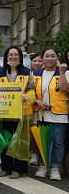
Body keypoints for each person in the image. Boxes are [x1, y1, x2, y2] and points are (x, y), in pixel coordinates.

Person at [0, 45, 35, 179]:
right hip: (4, 112)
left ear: (20, 57)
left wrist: (27, 97)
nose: (13, 57)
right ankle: (6, 167)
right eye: (10, 55)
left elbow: (31, 89)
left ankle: (19, 169)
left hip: (21, 112)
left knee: (20, 140)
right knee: (5, 139)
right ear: (6, 57)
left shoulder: (26, 71)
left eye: (16, 55)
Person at [33, 47, 68, 180]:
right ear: (42, 58)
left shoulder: (64, 72)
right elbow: (31, 91)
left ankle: (55, 167)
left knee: (58, 142)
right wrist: (37, 102)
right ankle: (43, 165)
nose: (49, 59)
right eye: (47, 56)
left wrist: (62, 73)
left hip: (59, 113)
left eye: (52, 56)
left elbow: (64, 88)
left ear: (57, 57)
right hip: (41, 113)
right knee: (43, 141)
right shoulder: (36, 73)